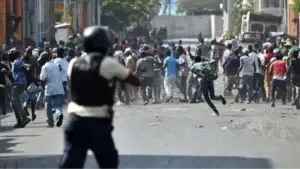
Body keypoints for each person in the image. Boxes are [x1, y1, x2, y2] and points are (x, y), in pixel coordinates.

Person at [58, 26, 140, 169]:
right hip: (98, 122)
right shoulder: (108, 63)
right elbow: (134, 80)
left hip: (74, 121)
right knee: (109, 162)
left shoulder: (73, 63)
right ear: (105, 44)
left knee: (70, 163)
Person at [39, 52, 65, 127]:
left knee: (48, 106)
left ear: (45, 59)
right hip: (59, 89)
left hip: (49, 90)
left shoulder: (45, 67)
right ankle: (59, 114)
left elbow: (43, 78)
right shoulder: (57, 65)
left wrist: (40, 77)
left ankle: (50, 122)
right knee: (58, 105)